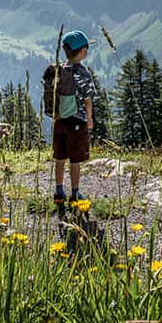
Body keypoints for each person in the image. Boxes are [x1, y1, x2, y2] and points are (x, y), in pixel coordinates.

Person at [51, 30, 97, 214]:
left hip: (60, 120)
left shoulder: (60, 70)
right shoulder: (82, 73)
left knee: (60, 157)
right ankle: (75, 193)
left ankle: (59, 191)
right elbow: (87, 99)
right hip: (76, 122)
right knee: (75, 160)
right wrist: (90, 119)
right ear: (82, 51)